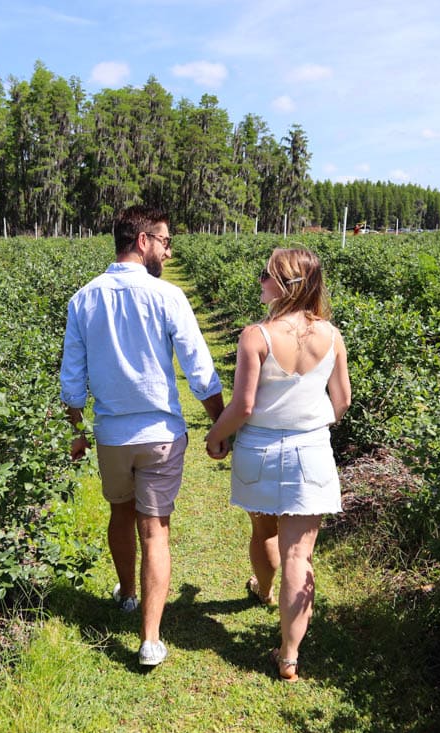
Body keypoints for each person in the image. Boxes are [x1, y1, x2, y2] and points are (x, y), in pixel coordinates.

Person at [60, 205, 226, 668]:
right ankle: (150, 638)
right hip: (161, 435)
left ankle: (128, 594)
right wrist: (219, 424)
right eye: (165, 242)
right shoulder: (168, 297)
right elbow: (199, 366)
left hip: (112, 435)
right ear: (142, 242)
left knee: (120, 512)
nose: (168, 251)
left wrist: (74, 432)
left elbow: (72, 378)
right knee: (155, 531)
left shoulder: (83, 299)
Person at [204, 247, 351, 682]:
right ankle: (288, 656)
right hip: (311, 452)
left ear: (285, 284)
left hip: (260, 452)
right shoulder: (332, 336)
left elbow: (244, 405)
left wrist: (217, 435)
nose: (260, 281)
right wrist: (310, 423)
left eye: (266, 275)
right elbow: (341, 402)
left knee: (262, 530)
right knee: (298, 554)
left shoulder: (256, 336)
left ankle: (262, 590)